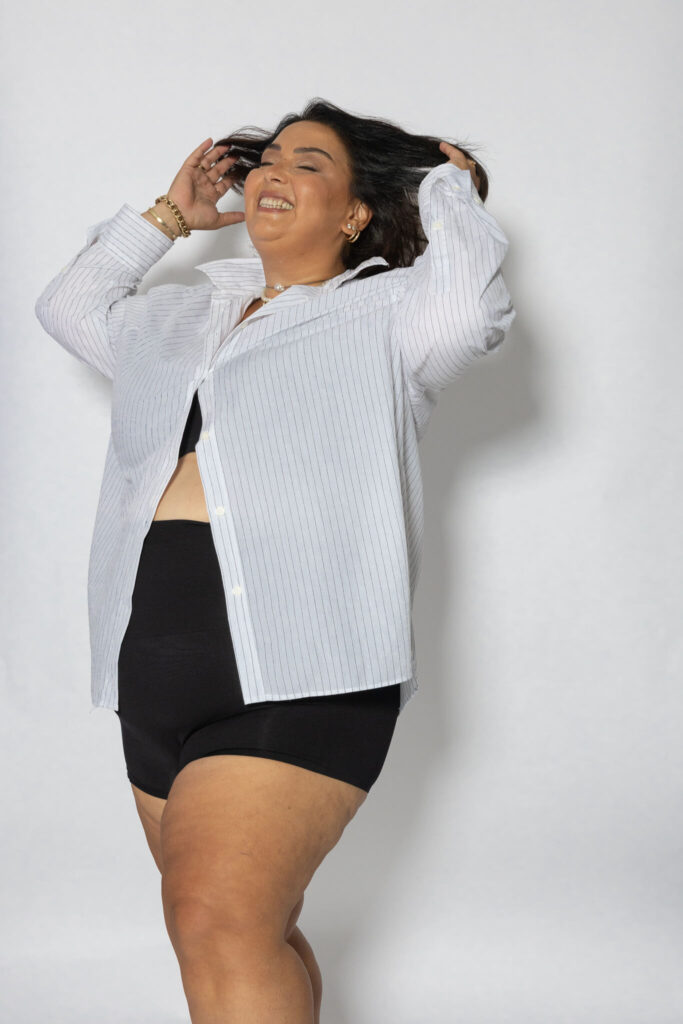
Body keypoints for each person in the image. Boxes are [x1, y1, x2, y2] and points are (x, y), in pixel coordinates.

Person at [34, 98, 516, 1023]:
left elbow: (469, 312)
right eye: (269, 160)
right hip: (150, 677)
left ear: (356, 212)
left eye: (309, 163)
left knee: (219, 923)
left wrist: (448, 187)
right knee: (246, 930)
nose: (274, 173)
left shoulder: (392, 314)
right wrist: (169, 218)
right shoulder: (180, 314)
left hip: (306, 670)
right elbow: (68, 308)